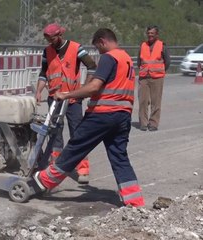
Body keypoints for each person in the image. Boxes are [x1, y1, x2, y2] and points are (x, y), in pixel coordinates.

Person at [32, 28, 145, 207]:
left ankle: (43, 181)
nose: (99, 51)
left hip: (102, 114)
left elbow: (94, 87)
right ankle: (135, 201)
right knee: (119, 156)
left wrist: (67, 95)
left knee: (75, 147)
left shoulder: (109, 57)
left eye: (98, 47)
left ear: (102, 41)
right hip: (123, 116)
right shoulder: (126, 59)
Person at [34, 23, 97, 184]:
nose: (50, 41)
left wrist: (85, 88)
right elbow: (43, 73)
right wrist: (39, 91)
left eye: (52, 38)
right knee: (55, 133)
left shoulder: (76, 48)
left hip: (72, 99)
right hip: (54, 98)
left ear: (59, 35)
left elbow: (92, 66)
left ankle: (82, 169)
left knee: (77, 132)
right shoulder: (47, 51)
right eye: (47, 38)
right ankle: (56, 166)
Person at [137, 25, 170, 131]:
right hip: (144, 77)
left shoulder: (162, 46)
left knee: (156, 102)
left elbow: (167, 62)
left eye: (152, 33)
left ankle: (153, 123)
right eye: (149, 33)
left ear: (157, 34)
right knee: (143, 101)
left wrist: (160, 71)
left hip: (157, 77)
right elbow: (139, 61)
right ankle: (143, 123)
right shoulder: (142, 45)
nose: (150, 35)